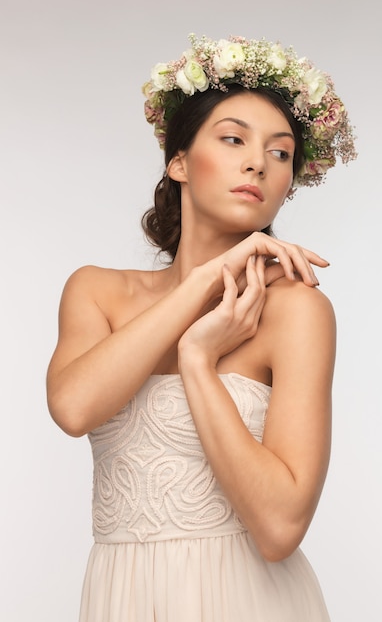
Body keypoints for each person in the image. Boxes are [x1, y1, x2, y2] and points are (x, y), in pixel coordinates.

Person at [47, 34, 356, 622]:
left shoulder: (296, 310)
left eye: (281, 152)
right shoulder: (96, 291)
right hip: (124, 598)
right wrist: (199, 287)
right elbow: (72, 408)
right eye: (234, 139)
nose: (257, 163)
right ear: (179, 160)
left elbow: (279, 528)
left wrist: (197, 359)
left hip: (250, 600)